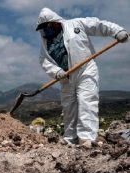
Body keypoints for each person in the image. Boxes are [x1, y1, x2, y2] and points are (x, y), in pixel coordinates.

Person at [36, 7, 128, 145]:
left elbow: (98, 25)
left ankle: (87, 138)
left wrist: (117, 31)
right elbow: (44, 60)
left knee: (87, 102)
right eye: (43, 28)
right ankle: (69, 139)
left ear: (55, 22)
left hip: (85, 70)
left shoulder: (76, 24)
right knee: (69, 109)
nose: (46, 31)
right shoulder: (45, 42)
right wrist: (55, 72)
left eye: (47, 27)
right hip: (65, 78)